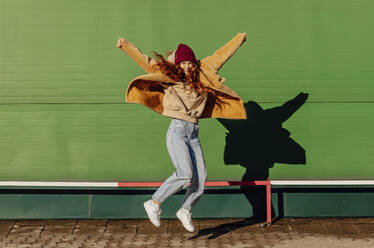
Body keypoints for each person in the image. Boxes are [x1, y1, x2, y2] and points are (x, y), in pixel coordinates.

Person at [117, 33, 247, 232]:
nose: (187, 67)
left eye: (190, 63)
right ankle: (154, 203)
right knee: (185, 174)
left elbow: (221, 54)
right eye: (183, 63)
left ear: (195, 63)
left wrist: (238, 39)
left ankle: (185, 209)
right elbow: (146, 61)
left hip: (193, 133)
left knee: (201, 178)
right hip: (177, 130)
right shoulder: (168, 75)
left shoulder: (203, 72)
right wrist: (126, 45)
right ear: (177, 64)